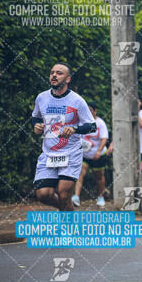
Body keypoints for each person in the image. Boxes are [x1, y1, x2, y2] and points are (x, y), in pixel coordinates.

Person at [32, 63, 96, 210]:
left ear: (68, 79)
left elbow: (91, 126)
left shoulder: (77, 101)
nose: (54, 75)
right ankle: (67, 209)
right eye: (52, 72)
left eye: (59, 73)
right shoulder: (41, 98)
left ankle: (69, 227)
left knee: (64, 193)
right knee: (43, 194)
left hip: (70, 153)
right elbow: (35, 117)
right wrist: (36, 126)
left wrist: (74, 129)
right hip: (49, 154)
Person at [72, 102, 109, 208]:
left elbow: (104, 139)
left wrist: (98, 151)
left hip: (98, 155)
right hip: (84, 155)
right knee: (80, 173)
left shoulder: (100, 123)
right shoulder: (81, 122)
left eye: (90, 110)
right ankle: (76, 197)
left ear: (95, 111)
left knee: (99, 177)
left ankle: (100, 196)